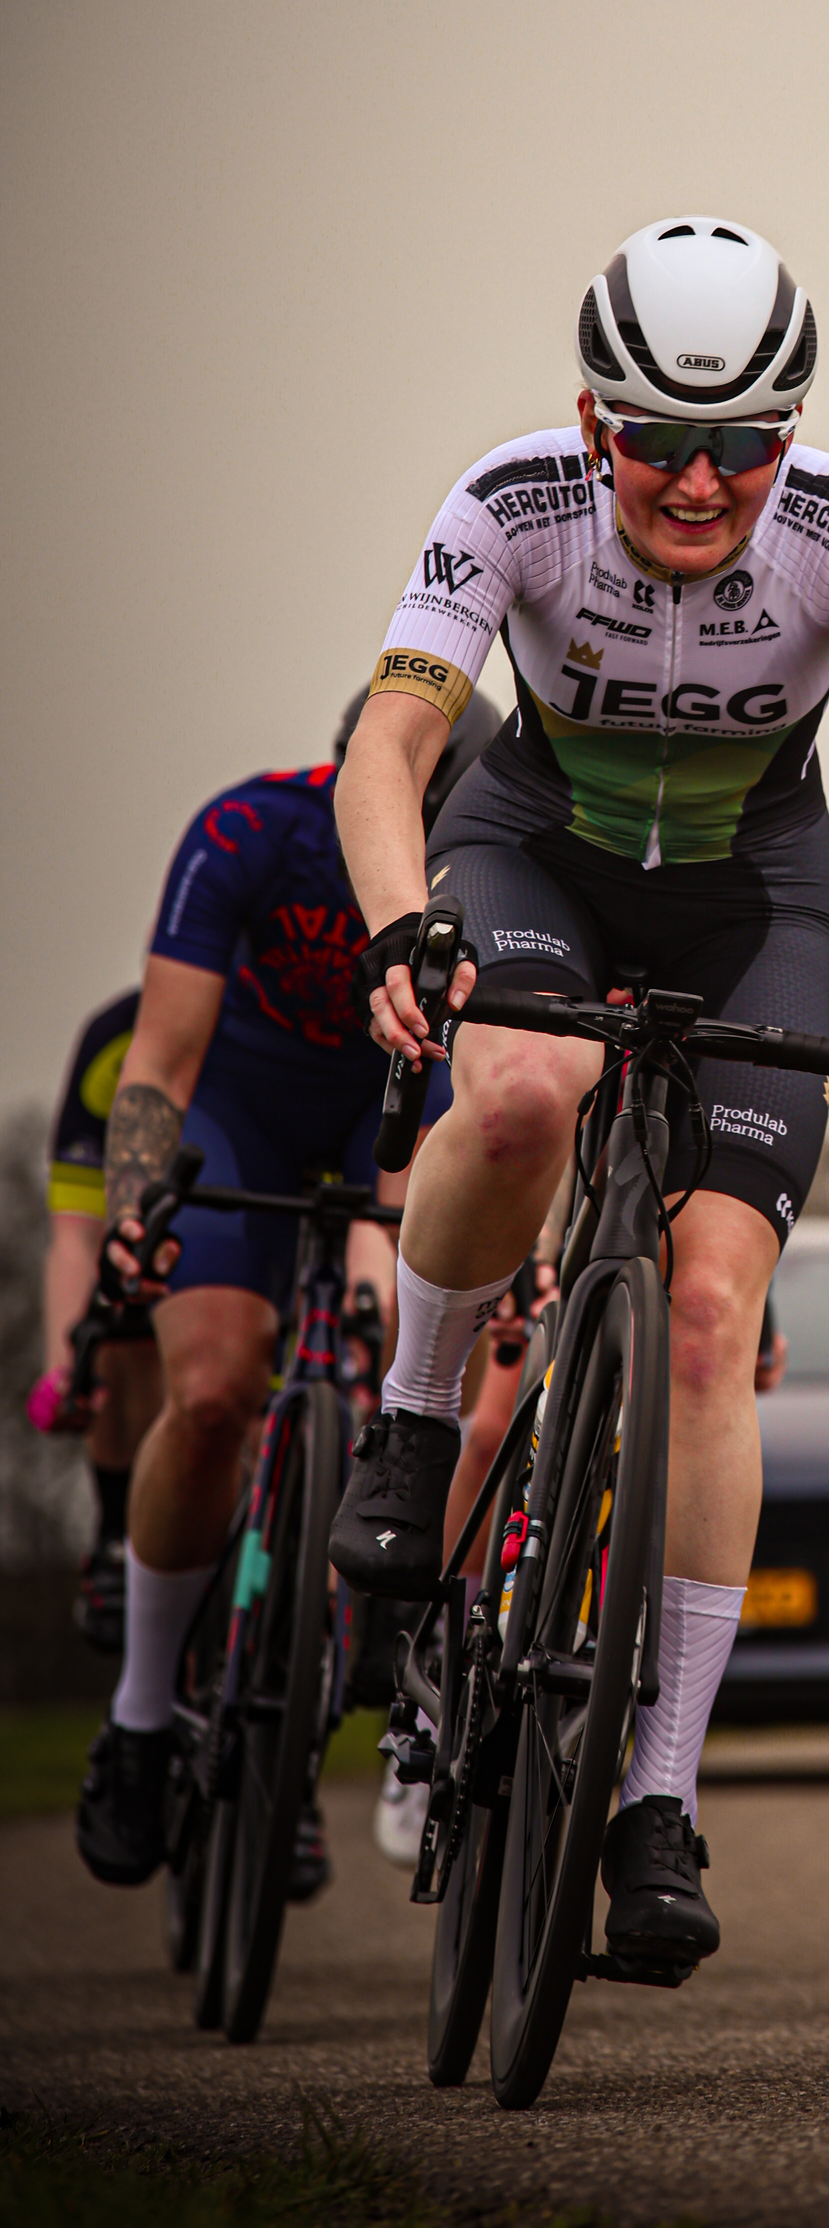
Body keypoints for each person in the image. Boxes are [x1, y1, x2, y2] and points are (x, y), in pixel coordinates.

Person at [328, 215, 829, 1971]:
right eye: (660, 444)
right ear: (590, 418)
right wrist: (404, 929)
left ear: (793, 432)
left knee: (709, 1325)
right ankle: (415, 1407)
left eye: (745, 447)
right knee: (531, 1087)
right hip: (535, 851)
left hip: (753, 892)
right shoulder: (508, 498)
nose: (703, 486)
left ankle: (660, 1796)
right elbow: (393, 745)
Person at [72, 692, 499, 1890]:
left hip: (386, 1117)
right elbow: (159, 1056)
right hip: (241, 1113)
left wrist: (395, 1288)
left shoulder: (492, 872)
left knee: (376, 1363)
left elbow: (434, 1142)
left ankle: (297, 1727)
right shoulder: (250, 834)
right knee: (211, 1392)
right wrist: (133, 1214)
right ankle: (142, 1716)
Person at [32, 992, 161, 1650]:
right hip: (156, 1256)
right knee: (118, 1298)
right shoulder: (114, 1038)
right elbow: (77, 1236)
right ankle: (116, 1532)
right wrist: (66, 1368)